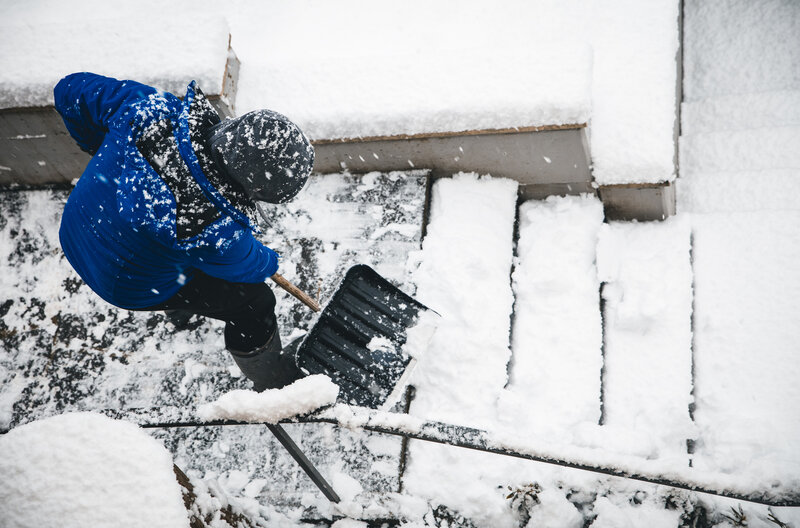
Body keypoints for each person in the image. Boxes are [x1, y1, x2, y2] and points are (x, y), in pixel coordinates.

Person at [53, 72, 314, 391]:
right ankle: (273, 379)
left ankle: (179, 307)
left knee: (178, 253)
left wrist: (100, 148)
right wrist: (269, 261)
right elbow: (250, 266)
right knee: (253, 302)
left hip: (78, 224)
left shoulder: (150, 110)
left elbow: (69, 89)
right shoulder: (212, 228)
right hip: (123, 282)